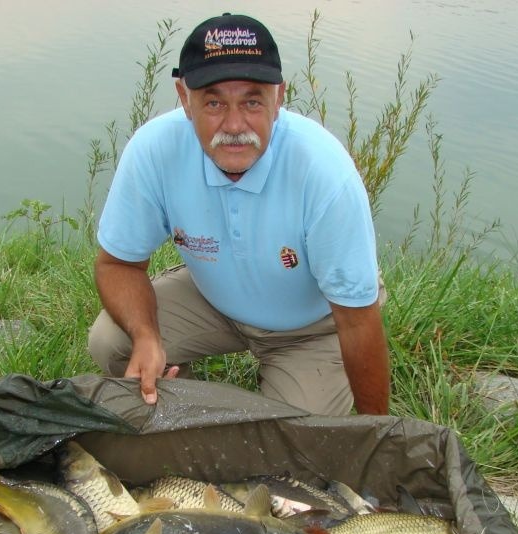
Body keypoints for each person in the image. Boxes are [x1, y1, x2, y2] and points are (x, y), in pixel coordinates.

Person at [88, 12, 390, 415]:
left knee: (295, 442)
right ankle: (182, 412)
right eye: (213, 102)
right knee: (111, 341)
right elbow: (117, 265)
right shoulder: (153, 150)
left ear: (279, 97)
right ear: (184, 98)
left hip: (313, 326)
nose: (233, 125)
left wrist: (378, 436)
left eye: (252, 101)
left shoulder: (324, 172)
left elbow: (357, 322)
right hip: (213, 299)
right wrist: (146, 335)